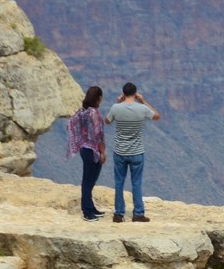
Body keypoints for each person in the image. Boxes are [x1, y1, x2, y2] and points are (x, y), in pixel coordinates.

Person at [105, 81, 160, 222]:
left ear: (123, 94)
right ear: (135, 94)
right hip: (137, 152)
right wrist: (143, 101)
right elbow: (156, 116)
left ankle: (118, 214)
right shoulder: (142, 109)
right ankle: (138, 214)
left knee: (119, 183)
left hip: (120, 152)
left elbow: (107, 121)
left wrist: (118, 102)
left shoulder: (116, 108)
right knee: (136, 183)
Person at [65, 86, 107, 221]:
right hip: (92, 150)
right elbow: (99, 134)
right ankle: (87, 212)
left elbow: (70, 124)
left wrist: (80, 139)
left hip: (84, 148)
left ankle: (91, 208)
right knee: (89, 181)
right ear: (98, 98)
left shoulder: (82, 111)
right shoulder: (94, 113)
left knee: (89, 180)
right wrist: (102, 152)